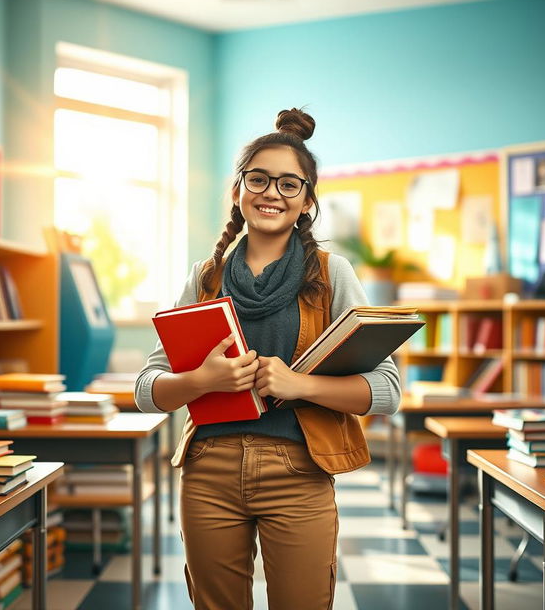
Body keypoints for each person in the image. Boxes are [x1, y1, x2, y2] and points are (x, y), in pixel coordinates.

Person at [135, 107, 401, 610]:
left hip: (300, 470)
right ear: (238, 190)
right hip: (208, 471)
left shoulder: (331, 274)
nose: (271, 193)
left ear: (306, 201)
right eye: (258, 179)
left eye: (288, 184)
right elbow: (147, 389)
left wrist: (299, 385)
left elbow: (387, 391)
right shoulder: (204, 277)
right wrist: (201, 380)